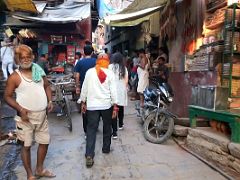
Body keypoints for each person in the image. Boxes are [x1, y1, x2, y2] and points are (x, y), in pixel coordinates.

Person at [4, 44, 55, 180]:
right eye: (22, 58)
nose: (26, 60)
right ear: (17, 60)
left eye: (28, 57)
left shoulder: (38, 72)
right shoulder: (15, 77)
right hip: (25, 118)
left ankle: (39, 169)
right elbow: (7, 96)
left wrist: (50, 101)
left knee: (44, 142)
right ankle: (30, 175)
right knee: (26, 146)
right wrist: (20, 109)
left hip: (42, 116)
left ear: (33, 57)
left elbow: (47, 86)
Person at [78, 53, 118, 168]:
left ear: (97, 61)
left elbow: (84, 88)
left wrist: (83, 101)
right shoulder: (110, 73)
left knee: (91, 130)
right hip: (106, 106)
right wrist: (115, 105)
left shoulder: (90, 72)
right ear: (107, 61)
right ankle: (106, 148)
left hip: (92, 106)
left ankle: (89, 154)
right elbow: (113, 91)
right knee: (107, 127)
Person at [74, 44, 96, 137]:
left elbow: (77, 76)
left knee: (85, 107)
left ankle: (86, 131)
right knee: (95, 106)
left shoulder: (80, 62)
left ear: (83, 52)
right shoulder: (96, 61)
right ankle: (94, 127)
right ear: (92, 52)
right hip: (95, 87)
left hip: (84, 87)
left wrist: (77, 87)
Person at [109, 52, 128, 139]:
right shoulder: (124, 68)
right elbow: (126, 81)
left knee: (114, 110)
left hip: (113, 91)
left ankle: (114, 133)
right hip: (121, 90)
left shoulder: (110, 67)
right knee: (120, 108)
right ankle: (120, 124)